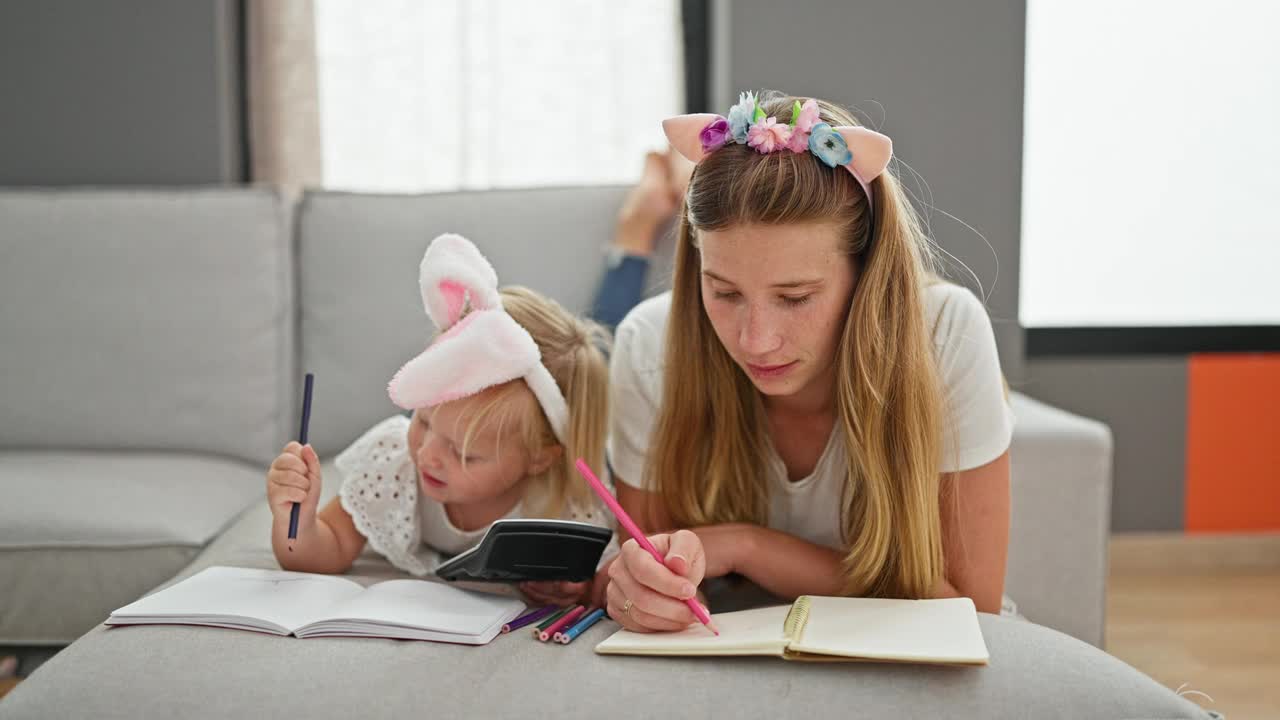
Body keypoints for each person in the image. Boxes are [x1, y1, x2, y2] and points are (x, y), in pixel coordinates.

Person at [604, 91, 1014, 632]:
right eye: (724, 293)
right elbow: (646, 566)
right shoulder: (651, 345)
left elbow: (970, 607)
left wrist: (748, 547)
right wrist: (635, 587)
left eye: (795, 298)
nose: (756, 341)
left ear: (865, 273)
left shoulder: (946, 333)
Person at [266, 233, 614, 607]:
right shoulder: (396, 462)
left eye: (464, 453)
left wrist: (579, 587)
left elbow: (606, 582)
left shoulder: (568, 506)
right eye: (425, 421)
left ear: (540, 457)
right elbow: (325, 549)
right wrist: (296, 524)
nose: (428, 454)